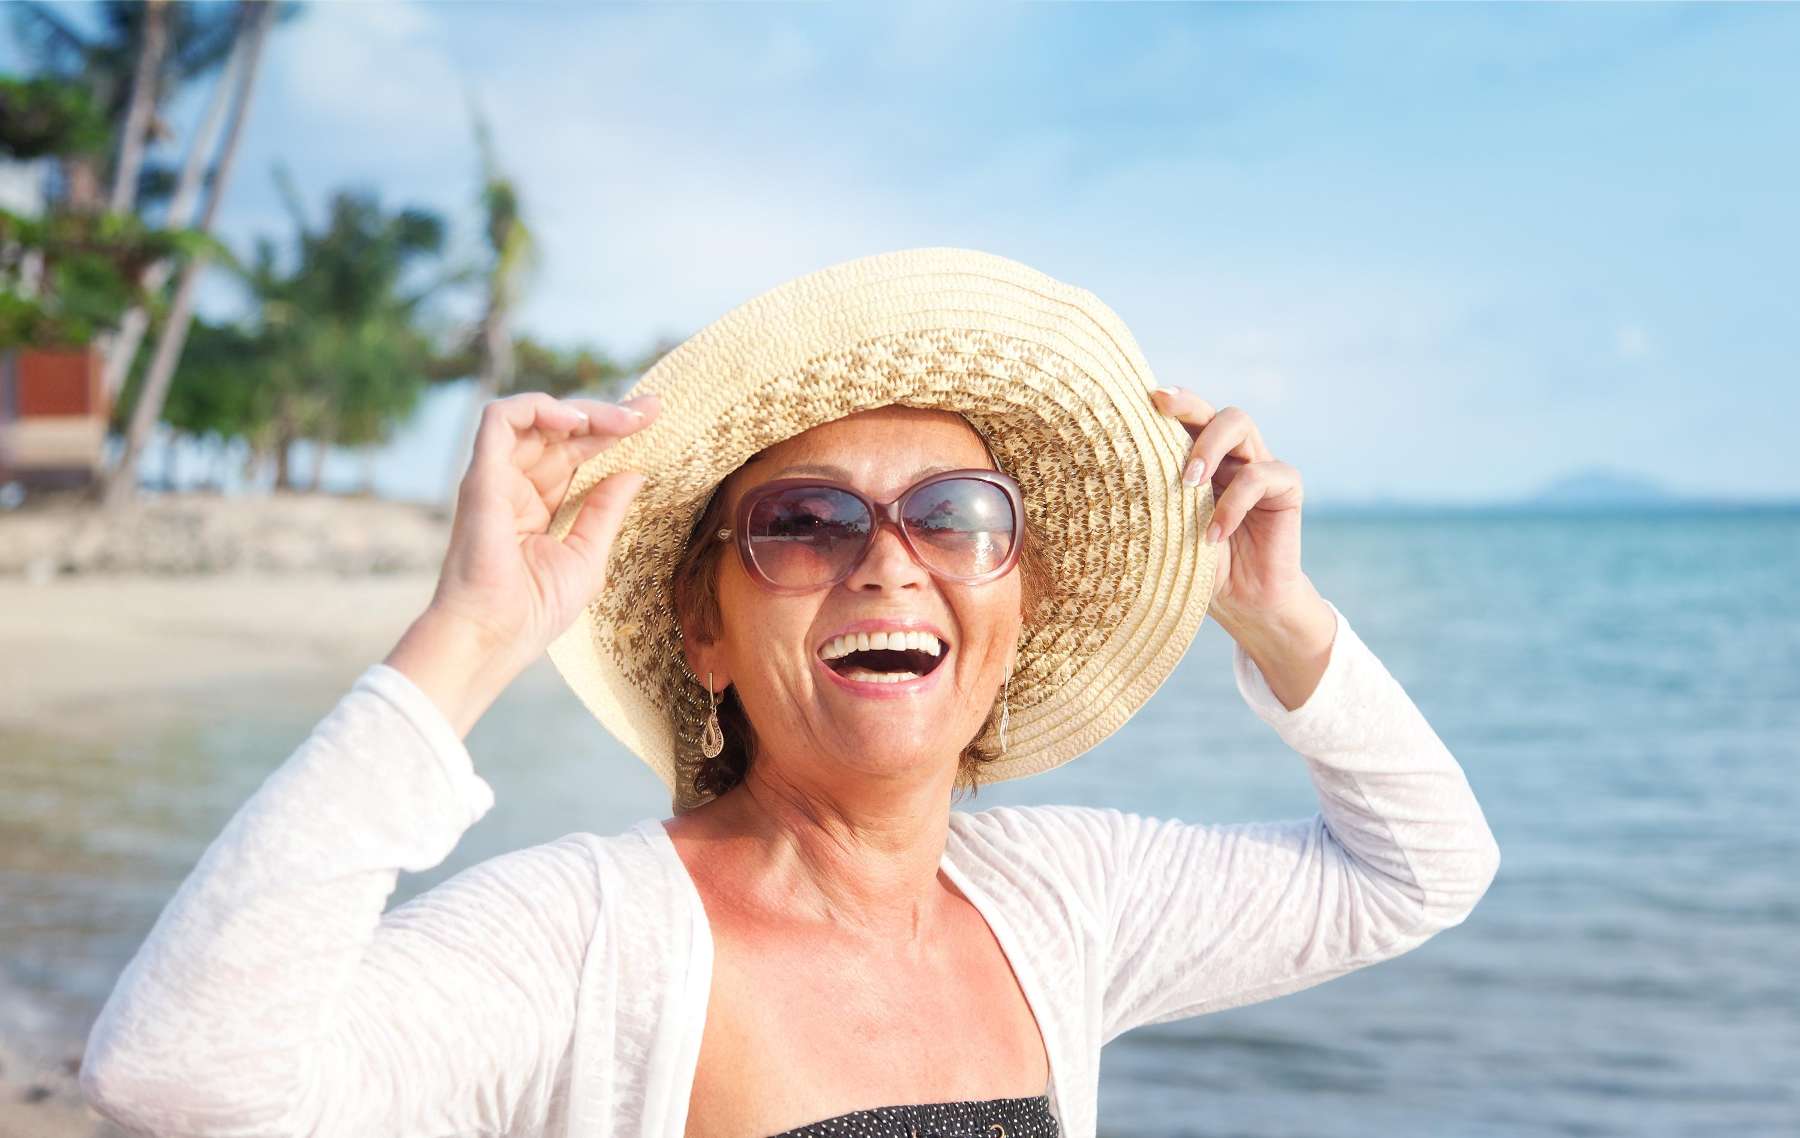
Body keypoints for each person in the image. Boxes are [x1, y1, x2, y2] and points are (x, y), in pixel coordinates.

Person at [78, 249, 1501, 1138]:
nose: (888, 563)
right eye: (804, 523)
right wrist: (470, 636)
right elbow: (179, 1083)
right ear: (702, 624)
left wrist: (1277, 619)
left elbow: (1423, 871)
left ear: (1020, 602)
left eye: (955, 516)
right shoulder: (587, 937)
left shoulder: (1064, 899)